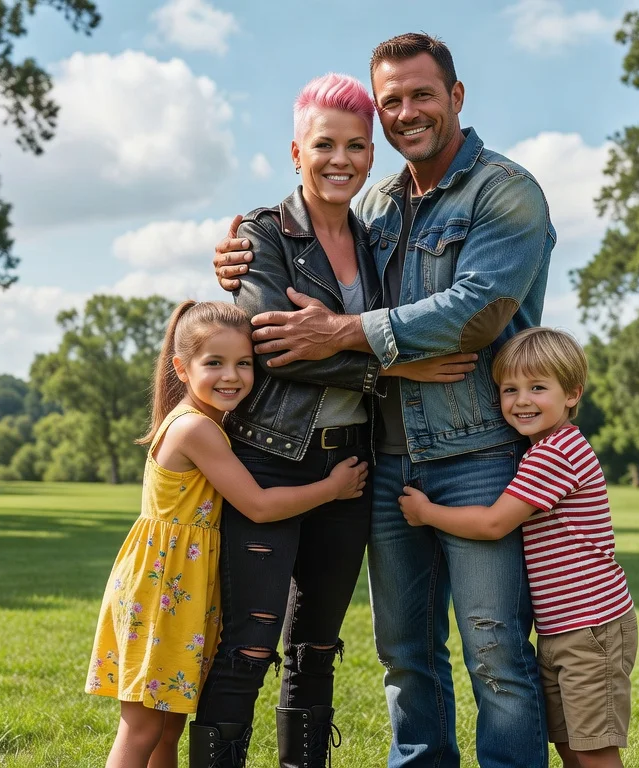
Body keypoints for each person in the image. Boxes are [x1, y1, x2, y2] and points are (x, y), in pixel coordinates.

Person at [213, 33, 555, 768]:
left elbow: (478, 311)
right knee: (405, 656)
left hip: (477, 450)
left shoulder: (505, 190)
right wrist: (243, 250)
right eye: (391, 100)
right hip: (389, 458)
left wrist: (342, 332)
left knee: (495, 654)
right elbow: (308, 246)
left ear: (456, 96)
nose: (407, 112)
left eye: (422, 94)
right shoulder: (377, 204)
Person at [189, 73, 475, 768]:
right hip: (269, 457)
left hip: (350, 467)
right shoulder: (264, 233)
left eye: (355, 146)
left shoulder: (378, 240)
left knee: (316, 648)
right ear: (297, 152)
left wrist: (358, 347)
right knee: (248, 646)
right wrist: (391, 370)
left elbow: (373, 327)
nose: (340, 160)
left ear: (372, 154)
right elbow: (273, 348)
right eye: (324, 145)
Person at [84, 300, 368, 768]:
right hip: (163, 591)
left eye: (243, 364)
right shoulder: (196, 429)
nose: (231, 376)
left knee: (169, 727)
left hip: (183, 589)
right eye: (214, 363)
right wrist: (331, 489)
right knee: (143, 727)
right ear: (182, 368)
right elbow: (258, 505)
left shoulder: (210, 422)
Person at [399, 328, 638, 768]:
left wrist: (427, 513)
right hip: (562, 628)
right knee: (569, 745)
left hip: (591, 627)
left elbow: (494, 524)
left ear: (572, 394)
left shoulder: (556, 453)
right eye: (510, 389)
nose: (522, 400)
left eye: (537, 388)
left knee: (593, 750)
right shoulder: (541, 449)